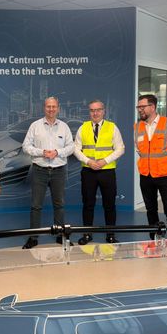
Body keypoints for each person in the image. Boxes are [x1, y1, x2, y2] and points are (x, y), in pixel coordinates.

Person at [134, 94, 167, 265]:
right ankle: (155, 244)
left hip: (165, 175)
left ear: (153, 107)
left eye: (143, 107)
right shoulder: (137, 126)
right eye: (139, 107)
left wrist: (164, 164)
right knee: (151, 211)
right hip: (146, 175)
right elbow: (139, 149)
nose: (140, 110)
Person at [21, 97, 74, 249]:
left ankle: (60, 235)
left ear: (58, 108)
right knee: (36, 206)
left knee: (59, 204)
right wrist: (42, 152)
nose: (51, 109)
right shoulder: (35, 126)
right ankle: (33, 237)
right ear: (44, 108)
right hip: (40, 170)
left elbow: (71, 147)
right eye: (48, 106)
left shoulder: (64, 127)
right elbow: (26, 146)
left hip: (59, 171)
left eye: (54, 106)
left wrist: (57, 152)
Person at [74, 100, 125, 244]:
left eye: (98, 110)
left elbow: (120, 148)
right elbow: (76, 149)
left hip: (107, 171)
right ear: (89, 112)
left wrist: (104, 161)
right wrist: (89, 161)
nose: (95, 113)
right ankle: (87, 234)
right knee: (88, 204)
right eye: (92, 110)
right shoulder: (82, 127)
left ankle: (110, 235)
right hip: (88, 171)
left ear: (103, 111)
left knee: (109, 205)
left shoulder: (112, 127)